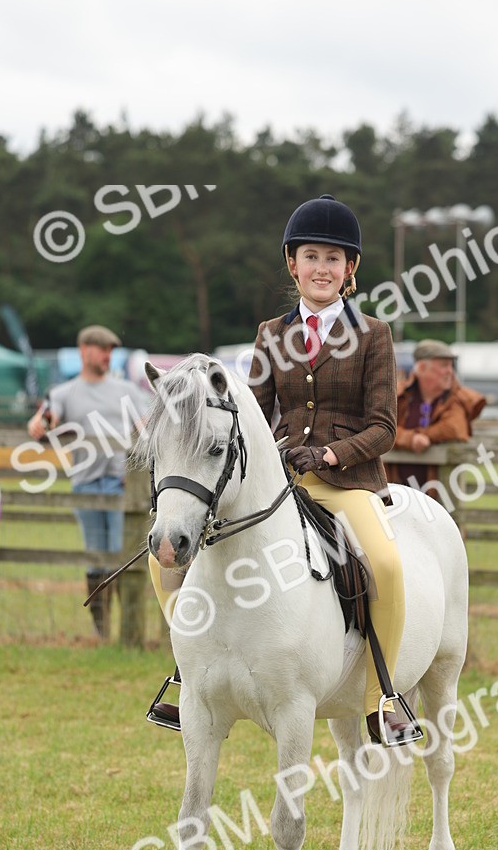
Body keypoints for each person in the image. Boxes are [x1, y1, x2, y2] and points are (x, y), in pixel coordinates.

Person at [147, 194, 420, 747]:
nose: (323, 269)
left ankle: (382, 698)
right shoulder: (271, 333)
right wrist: (273, 451)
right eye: (312, 257)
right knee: (162, 562)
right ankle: (191, 668)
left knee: (386, 565)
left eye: (334, 259)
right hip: (281, 486)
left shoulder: (374, 335)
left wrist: (332, 454)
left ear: (350, 270)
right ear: (293, 265)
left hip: (346, 484)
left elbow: (384, 427)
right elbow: (255, 412)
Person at [27, 324, 147, 638]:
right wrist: (38, 424)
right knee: (96, 558)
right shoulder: (65, 392)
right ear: (85, 351)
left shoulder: (126, 391)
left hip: (121, 485)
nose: (108, 355)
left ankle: (128, 631)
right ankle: (101, 630)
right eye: (103, 349)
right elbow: (44, 418)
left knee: (122, 558)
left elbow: (147, 425)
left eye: (111, 350)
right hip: (85, 486)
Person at [386, 339, 487, 488]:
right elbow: (381, 430)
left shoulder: (457, 398)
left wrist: (425, 436)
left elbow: (454, 428)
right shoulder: (398, 395)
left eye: (451, 366)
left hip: (440, 492)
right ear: (421, 368)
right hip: (395, 486)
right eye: (443, 366)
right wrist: (410, 439)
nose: (450, 372)